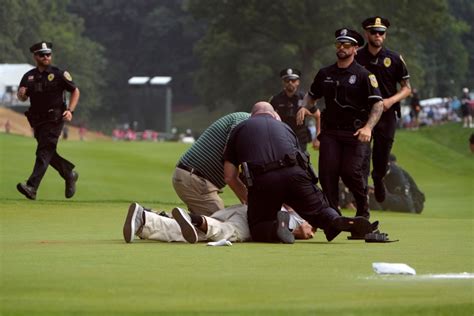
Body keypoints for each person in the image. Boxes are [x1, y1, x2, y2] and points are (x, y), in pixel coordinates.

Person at [223, 101, 378, 243]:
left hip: (264, 180)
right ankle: (334, 220)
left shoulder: (239, 129)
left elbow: (229, 176)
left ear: (252, 115)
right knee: (320, 210)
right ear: (274, 115)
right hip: (296, 175)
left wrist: (248, 199)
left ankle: (277, 228)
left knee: (258, 225)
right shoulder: (285, 127)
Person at [298, 28, 384, 220]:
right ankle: (333, 217)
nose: (342, 47)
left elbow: (378, 104)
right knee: (327, 175)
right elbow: (312, 96)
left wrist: (368, 127)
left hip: (356, 133)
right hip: (330, 132)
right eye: (339, 44)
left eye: (347, 44)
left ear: (355, 48)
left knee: (350, 172)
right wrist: (305, 107)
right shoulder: (325, 73)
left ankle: (362, 211)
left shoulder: (364, 75)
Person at [356, 16, 412, 204]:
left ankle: (378, 178)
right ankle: (362, 190)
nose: (378, 35)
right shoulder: (357, 57)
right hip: (363, 114)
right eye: (374, 32)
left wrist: (390, 100)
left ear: (385, 36)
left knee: (381, 155)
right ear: (367, 34)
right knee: (361, 154)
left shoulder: (394, 59)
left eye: (381, 33)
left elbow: (407, 88)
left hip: (387, 115)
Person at [16, 41, 80, 200]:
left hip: (55, 118)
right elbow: (22, 96)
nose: (46, 57)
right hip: (38, 121)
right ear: (35, 56)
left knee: (44, 151)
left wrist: (70, 111)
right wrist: (22, 95)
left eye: (48, 54)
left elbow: (75, 91)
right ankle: (69, 174)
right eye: (42, 54)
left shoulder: (59, 74)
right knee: (48, 152)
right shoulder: (29, 76)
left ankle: (32, 187)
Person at [122, 202, 315, 244]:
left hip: (241, 207)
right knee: (227, 232)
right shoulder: (303, 217)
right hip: (253, 219)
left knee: (193, 234)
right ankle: (194, 218)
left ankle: (145, 219)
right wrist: (300, 230)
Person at [173, 112, 250, 216]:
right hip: (197, 180)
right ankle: (149, 220)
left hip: (193, 177)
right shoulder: (244, 122)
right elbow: (231, 176)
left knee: (201, 225)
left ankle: (161, 219)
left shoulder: (243, 120)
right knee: (220, 226)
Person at [269, 68, 320, 151]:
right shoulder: (275, 99)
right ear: (283, 82)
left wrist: (317, 138)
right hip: (282, 136)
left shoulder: (304, 98)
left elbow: (318, 116)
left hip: (300, 137)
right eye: (287, 80)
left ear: (298, 82)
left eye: (293, 80)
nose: (290, 83)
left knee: (300, 161)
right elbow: (268, 118)